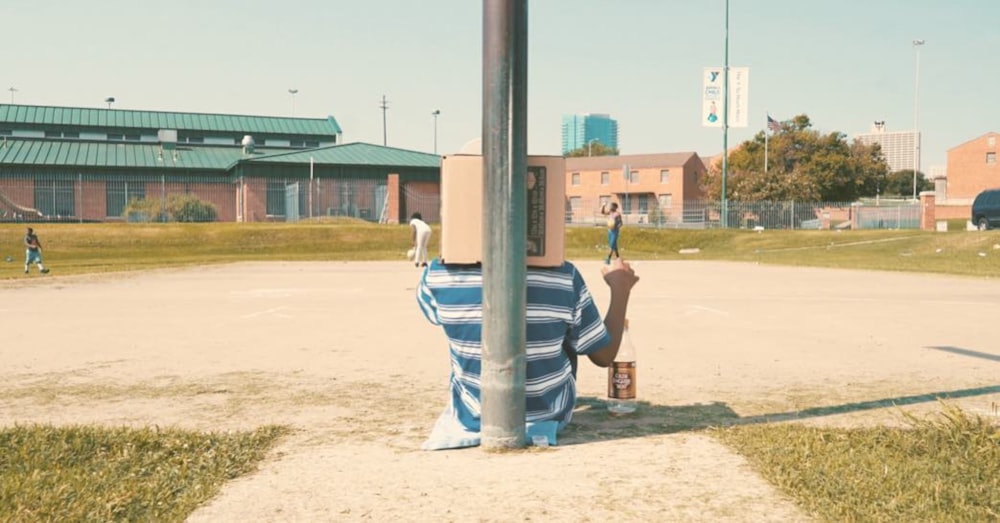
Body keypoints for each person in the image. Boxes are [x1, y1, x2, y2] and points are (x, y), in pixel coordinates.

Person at [416, 258, 639, 449]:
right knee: (566, 331)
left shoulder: (437, 274)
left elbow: (432, 312)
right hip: (548, 415)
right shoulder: (564, 276)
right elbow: (603, 355)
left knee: (466, 330)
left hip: (473, 417)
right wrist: (621, 287)